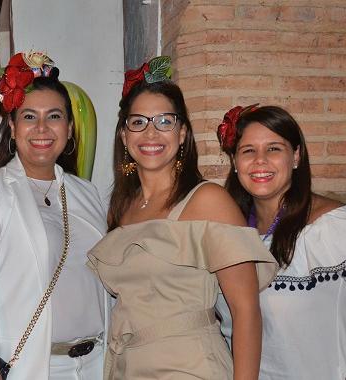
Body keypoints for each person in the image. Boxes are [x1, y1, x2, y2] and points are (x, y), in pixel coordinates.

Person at [87, 57, 277, 380]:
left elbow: (246, 312)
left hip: (191, 367)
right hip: (126, 368)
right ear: (123, 135)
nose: (151, 133)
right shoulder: (121, 208)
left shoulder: (208, 201)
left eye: (164, 121)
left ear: (182, 133)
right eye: (139, 122)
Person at [0, 51, 109, 379]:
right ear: (11, 127)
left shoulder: (88, 194)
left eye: (54, 116)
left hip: (97, 364)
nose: (42, 128)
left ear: (70, 128)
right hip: (32, 369)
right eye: (29, 117)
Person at [214, 105, 346, 379]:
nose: (260, 160)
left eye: (273, 149)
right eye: (248, 151)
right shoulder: (229, 233)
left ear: (295, 156)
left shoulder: (334, 226)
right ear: (235, 162)